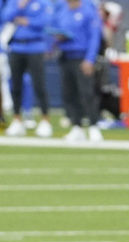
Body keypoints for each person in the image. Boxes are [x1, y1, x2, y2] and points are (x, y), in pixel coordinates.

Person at [53, 0, 103, 142]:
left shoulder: (88, 10)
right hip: (65, 55)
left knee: (86, 92)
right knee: (69, 93)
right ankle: (77, 126)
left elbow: (94, 36)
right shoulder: (61, 9)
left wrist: (90, 59)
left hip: (82, 57)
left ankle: (94, 126)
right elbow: (54, 28)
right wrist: (57, 38)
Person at [1, 0, 53, 137]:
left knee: (39, 85)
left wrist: (28, 21)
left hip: (35, 47)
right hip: (16, 46)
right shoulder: (15, 2)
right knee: (15, 85)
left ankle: (45, 120)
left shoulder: (43, 2)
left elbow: (46, 21)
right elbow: (5, 16)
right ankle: (17, 119)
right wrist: (20, 6)